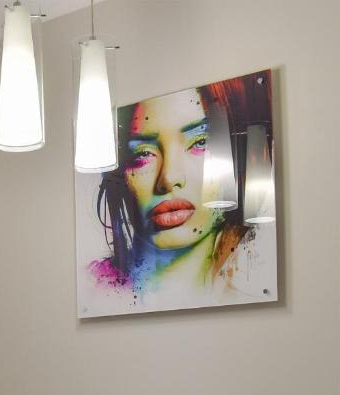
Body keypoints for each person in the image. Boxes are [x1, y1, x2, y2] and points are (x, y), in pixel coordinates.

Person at [89, 72, 273, 304]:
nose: (169, 178)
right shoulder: (95, 290)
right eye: (143, 153)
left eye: (201, 142)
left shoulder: (252, 279)